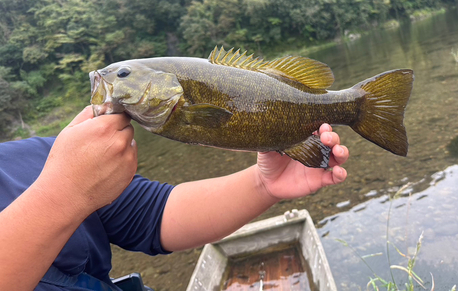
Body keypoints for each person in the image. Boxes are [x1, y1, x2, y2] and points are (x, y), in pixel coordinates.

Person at [0, 106, 349, 291]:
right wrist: (62, 195)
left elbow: (153, 216)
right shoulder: (60, 167)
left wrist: (263, 184)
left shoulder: (33, 158)